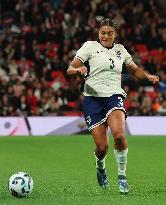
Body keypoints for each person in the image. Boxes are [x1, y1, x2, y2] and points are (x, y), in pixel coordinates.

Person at [67, 19, 159, 193]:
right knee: (102, 147)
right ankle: (100, 166)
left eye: (110, 33)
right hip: (93, 99)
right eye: (103, 32)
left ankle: (122, 177)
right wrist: (77, 70)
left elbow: (134, 69)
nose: (106, 36)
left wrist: (147, 76)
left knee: (118, 134)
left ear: (115, 34)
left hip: (114, 96)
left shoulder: (120, 50)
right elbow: (70, 68)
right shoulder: (89, 46)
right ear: (98, 33)